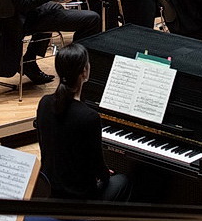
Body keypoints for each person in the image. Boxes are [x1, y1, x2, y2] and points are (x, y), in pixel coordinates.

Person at [36, 44, 131, 200]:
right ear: (84, 72)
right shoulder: (89, 117)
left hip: (50, 189)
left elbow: (45, 148)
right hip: (79, 197)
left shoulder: (44, 103)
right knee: (123, 181)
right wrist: (105, 174)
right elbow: (98, 166)